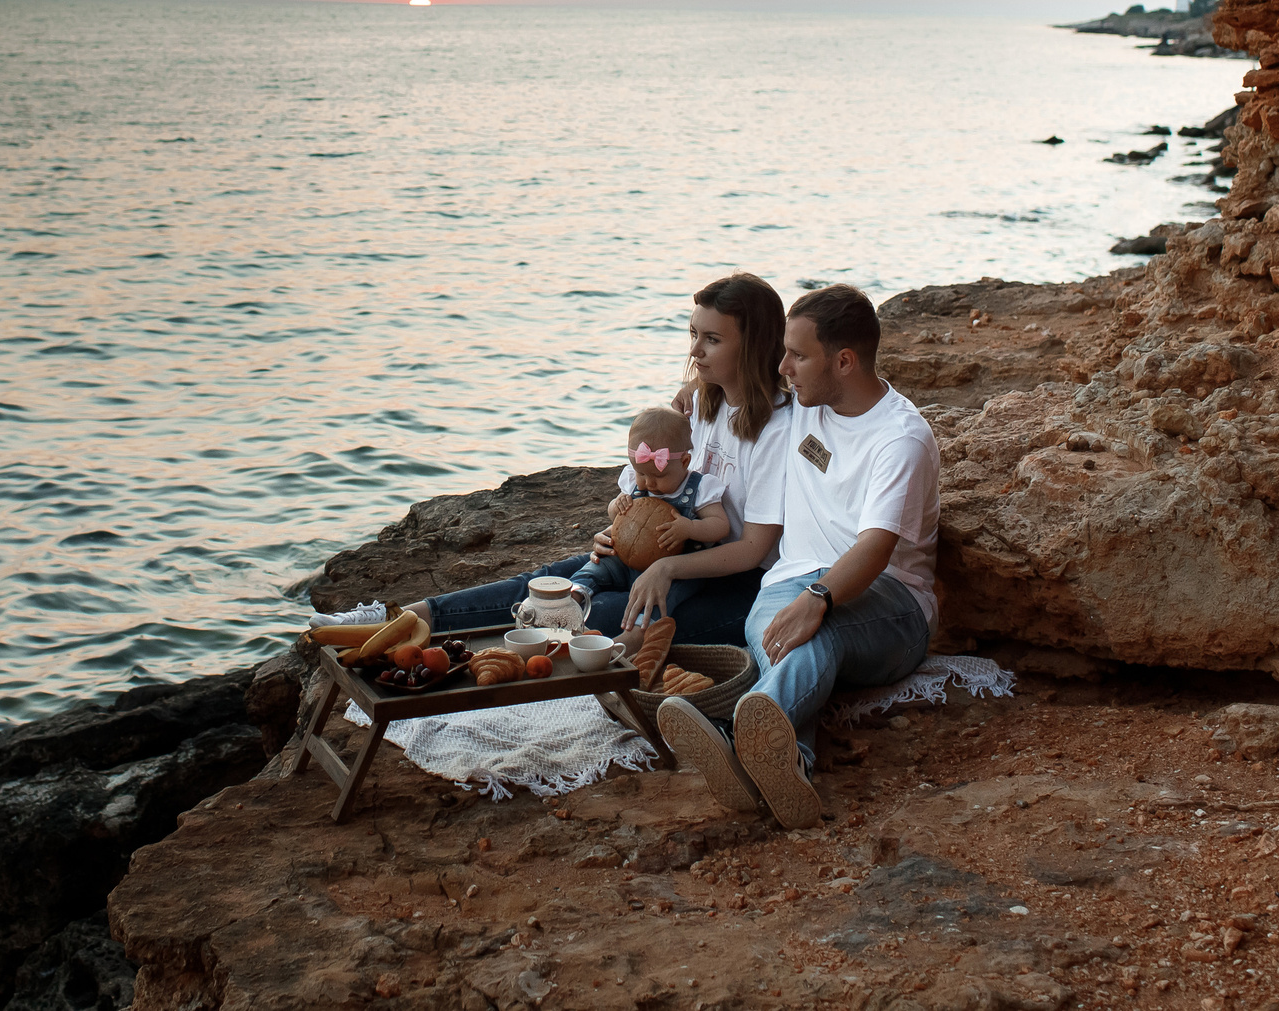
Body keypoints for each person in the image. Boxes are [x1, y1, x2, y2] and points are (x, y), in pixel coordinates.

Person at [654, 283, 937, 830]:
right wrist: (697, 382)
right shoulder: (806, 402)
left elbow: (876, 549)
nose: (783, 366)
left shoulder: (899, 438)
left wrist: (820, 598)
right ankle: (790, 762)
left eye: (798, 355)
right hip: (791, 581)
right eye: (784, 352)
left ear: (845, 361)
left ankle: (738, 737)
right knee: (784, 629)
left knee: (815, 630)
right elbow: (741, 332)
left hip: (891, 601)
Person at [387, 272, 794, 646]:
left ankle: (468, 658)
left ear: (753, 344)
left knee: (585, 616)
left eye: (712, 339)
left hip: (735, 581)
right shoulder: (705, 403)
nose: (695, 350)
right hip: (667, 555)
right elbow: (666, 484)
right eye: (693, 334)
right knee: (542, 585)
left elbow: (752, 550)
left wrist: (666, 570)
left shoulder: (776, 429)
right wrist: (621, 527)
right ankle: (401, 618)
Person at [564, 408, 729, 603]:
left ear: (685, 462)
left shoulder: (700, 488)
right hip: (626, 559)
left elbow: (720, 525)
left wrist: (690, 528)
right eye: (641, 474)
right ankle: (573, 596)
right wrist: (617, 506)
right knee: (597, 566)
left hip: (673, 568)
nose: (649, 483)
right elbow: (613, 515)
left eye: (659, 476)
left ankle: (644, 625)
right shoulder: (633, 481)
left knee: (669, 594)